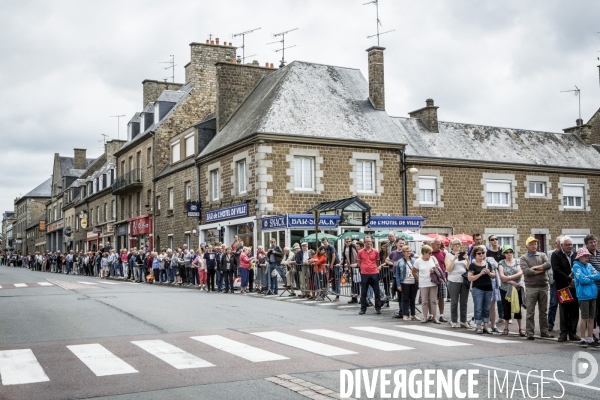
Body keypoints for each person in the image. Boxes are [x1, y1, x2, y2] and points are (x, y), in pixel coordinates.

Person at [520, 237, 553, 340]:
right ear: (527, 246)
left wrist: (534, 268)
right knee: (530, 311)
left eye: (535, 244)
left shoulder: (542, 255)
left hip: (543, 286)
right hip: (531, 287)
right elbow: (527, 272)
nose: (534, 246)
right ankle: (530, 332)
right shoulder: (523, 258)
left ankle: (544, 331)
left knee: (543, 311)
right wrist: (541, 269)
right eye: (531, 244)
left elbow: (548, 265)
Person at [551, 236, 580, 343]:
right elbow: (557, 271)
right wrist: (569, 280)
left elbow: (579, 268)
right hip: (563, 287)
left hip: (575, 287)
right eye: (567, 245)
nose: (570, 247)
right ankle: (563, 333)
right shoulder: (556, 255)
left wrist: (574, 281)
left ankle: (573, 333)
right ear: (561, 245)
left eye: (571, 244)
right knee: (564, 310)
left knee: (574, 310)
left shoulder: (576, 255)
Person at [573, 247, 600, 348]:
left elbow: (599, 275)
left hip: (593, 294)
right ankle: (583, 338)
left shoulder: (589, 266)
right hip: (583, 295)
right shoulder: (576, 266)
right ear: (579, 257)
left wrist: (589, 277)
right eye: (584, 256)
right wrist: (591, 277)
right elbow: (582, 280)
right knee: (584, 317)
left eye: (587, 256)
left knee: (591, 318)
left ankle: (590, 338)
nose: (586, 258)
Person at [498, 245, 525, 336]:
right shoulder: (501, 263)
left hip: (517, 288)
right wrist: (512, 282)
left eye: (510, 252)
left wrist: (509, 278)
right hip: (505, 289)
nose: (509, 254)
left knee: (518, 308)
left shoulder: (517, 261)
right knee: (506, 308)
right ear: (504, 254)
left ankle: (521, 328)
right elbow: (502, 277)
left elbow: (520, 273)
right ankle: (506, 328)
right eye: (506, 252)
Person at [468, 245, 495, 334]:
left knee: (487, 308)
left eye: (483, 253)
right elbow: (470, 278)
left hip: (488, 288)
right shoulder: (472, 265)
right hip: (477, 289)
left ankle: (486, 326)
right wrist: (480, 274)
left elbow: (494, 275)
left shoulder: (488, 264)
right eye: (479, 253)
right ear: (475, 254)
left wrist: (489, 273)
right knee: (478, 308)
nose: (481, 255)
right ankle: (478, 326)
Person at [446, 239, 471, 328]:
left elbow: (468, 268)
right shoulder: (448, 255)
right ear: (451, 246)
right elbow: (448, 269)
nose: (457, 246)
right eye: (455, 244)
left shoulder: (462, 255)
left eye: (458, 244)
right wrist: (454, 259)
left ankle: (463, 321)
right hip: (453, 280)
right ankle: (454, 320)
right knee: (454, 301)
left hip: (464, 280)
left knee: (464, 302)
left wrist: (467, 260)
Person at [415, 244, 441, 324]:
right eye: (429, 253)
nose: (431, 255)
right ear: (424, 253)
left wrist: (434, 270)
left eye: (431, 253)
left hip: (433, 282)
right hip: (423, 283)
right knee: (424, 301)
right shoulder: (418, 261)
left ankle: (435, 317)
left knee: (433, 300)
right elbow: (414, 271)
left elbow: (438, 268)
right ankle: (425, 317)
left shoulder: (433, 259)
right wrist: (419, 278)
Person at [357, 235, 382, 315]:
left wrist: (374, 267)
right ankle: (363, 309)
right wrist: (363, 268)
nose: (369, 243)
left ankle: (378, 308)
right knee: (363, 292)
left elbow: (377, 261)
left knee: (376, 291)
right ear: (364, 242)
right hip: (364, 273)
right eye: (367, 241)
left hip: (374, 273)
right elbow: (359, 262)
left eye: (370, 241)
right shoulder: (360, 252)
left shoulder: (375, 251)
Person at [395, 245, 419, 321]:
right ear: (403, 252)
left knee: (413, 298)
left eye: (410, 251)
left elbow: (418, 270)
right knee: (405, 298)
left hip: (413, 281)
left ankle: (413, 314)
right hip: (404, 282)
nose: (409, 252)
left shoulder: (414, 260)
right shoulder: (400, 261)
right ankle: (405, 314)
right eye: (407, 251)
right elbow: (397, 274)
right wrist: (398, 284)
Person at [584, 234, 600, 342]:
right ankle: (591, 334)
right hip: (592, 288)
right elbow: (588, 272)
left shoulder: (599, 253)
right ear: (586, 244)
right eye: (591, 242)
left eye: (594, 241)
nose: (593, 244)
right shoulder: (585, 255)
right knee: (592, 312)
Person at [486, 235, 505, 326]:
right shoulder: (488, 252)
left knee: (503, 296)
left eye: (496, 239)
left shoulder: (502, 250)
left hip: (503, 275)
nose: (495, 241)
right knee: (496, 297)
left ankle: (504, 316)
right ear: (489, 241)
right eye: (492, 239)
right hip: (494, 276)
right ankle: (497, 317)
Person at [547, 236, 563, 332]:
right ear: (556, 243)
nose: (561, 245)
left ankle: (564, 325)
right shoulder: (550, 253)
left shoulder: (567, 254)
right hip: (554, 282)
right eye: (559, 243)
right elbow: (548, 266)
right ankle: (550, 323)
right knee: (553, 303)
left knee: (564, 304)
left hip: (564, 282)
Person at [431, 238, 448, 322]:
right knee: (431, 298)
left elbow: (446, 265)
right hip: (432, 278)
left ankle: (441, 315)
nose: (439, 246)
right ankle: (431, 314)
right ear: (432, 245)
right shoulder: (429, 253)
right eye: (437, 244)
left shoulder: (443, 253)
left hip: (441, 278)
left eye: (440, 244)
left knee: (441, 297)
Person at [342, 237, 360, 304]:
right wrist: (345, 264)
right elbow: (345, 258)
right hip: (351, 267)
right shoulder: (345, 248)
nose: (349, 242)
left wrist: (355, 264)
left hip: (355, 267)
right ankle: (354, 297)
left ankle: (357, 297)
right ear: (344, 242)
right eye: (347, 241)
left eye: (350, 241)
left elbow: (355, 256)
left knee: (356, 282)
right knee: (353, 282)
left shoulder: (352, 247)